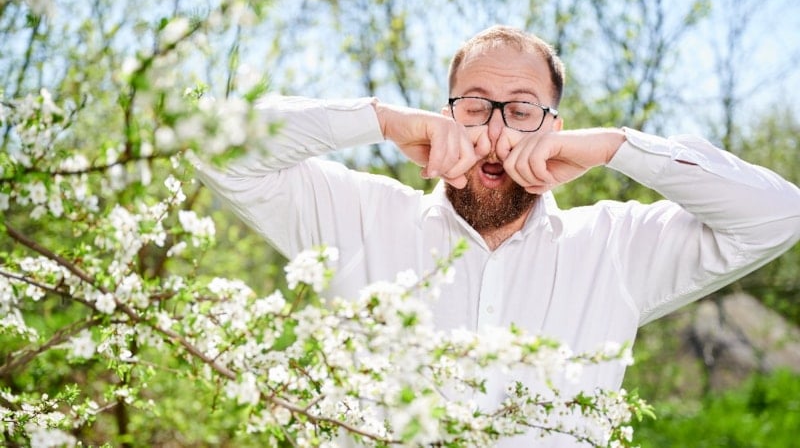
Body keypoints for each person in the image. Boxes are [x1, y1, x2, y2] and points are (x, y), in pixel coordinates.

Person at [193, 25, 800, 446]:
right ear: (446, 114)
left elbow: (777, 216)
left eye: (523, 109)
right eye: (476, 105)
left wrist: (618, 147)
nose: (497, 131)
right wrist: (379, 119)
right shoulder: (356, 217)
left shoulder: (616, 246)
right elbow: (209, 144)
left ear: (555, 127)